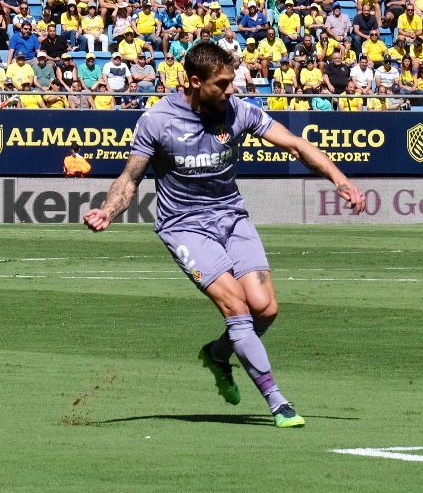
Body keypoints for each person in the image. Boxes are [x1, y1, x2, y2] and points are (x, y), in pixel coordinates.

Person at [83, 42, 366, 429]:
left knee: (265, 309)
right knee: (237, 308)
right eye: (224, 83)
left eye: (233, 81)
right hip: (183, 225)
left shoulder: (240, 112)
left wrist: (341, 180)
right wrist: (108, 211)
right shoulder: (158, 120)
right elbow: (131, 177)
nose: (233, 89)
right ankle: (278, 401)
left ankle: (218, 354)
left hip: (232, 218)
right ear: (195, 82)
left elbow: (296, 144)